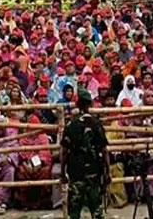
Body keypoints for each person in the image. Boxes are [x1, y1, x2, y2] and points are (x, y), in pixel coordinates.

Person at [61, 87, 109, 219]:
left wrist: (62, 172)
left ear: (77, 104)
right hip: (93, 172)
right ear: (90, 104)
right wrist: (107, 173)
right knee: (97, 211)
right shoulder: (96, 124)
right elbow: (104, 151)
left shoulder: (71, 124)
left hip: (76, 172)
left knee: (74, 212)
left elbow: (64, 151)